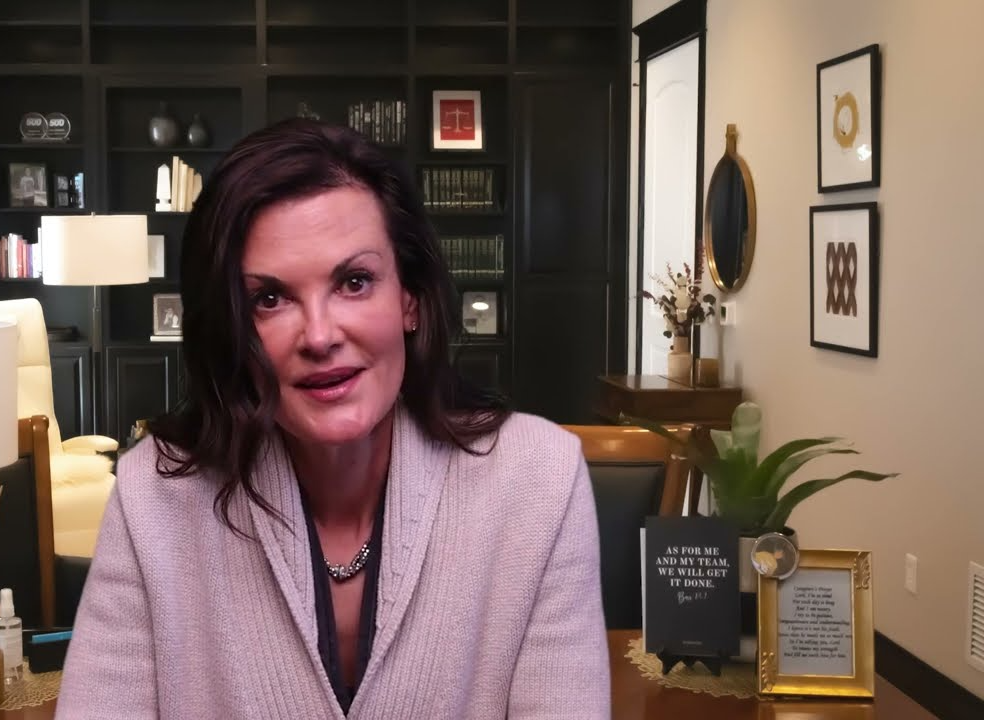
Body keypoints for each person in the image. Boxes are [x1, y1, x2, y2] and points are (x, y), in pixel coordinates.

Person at [56, 119, 609, 719]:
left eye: (354, 281)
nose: (319, 336)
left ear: (410, 300)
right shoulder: (152, 497)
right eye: (269, 299)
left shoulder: (541, 480)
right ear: (231, 329)